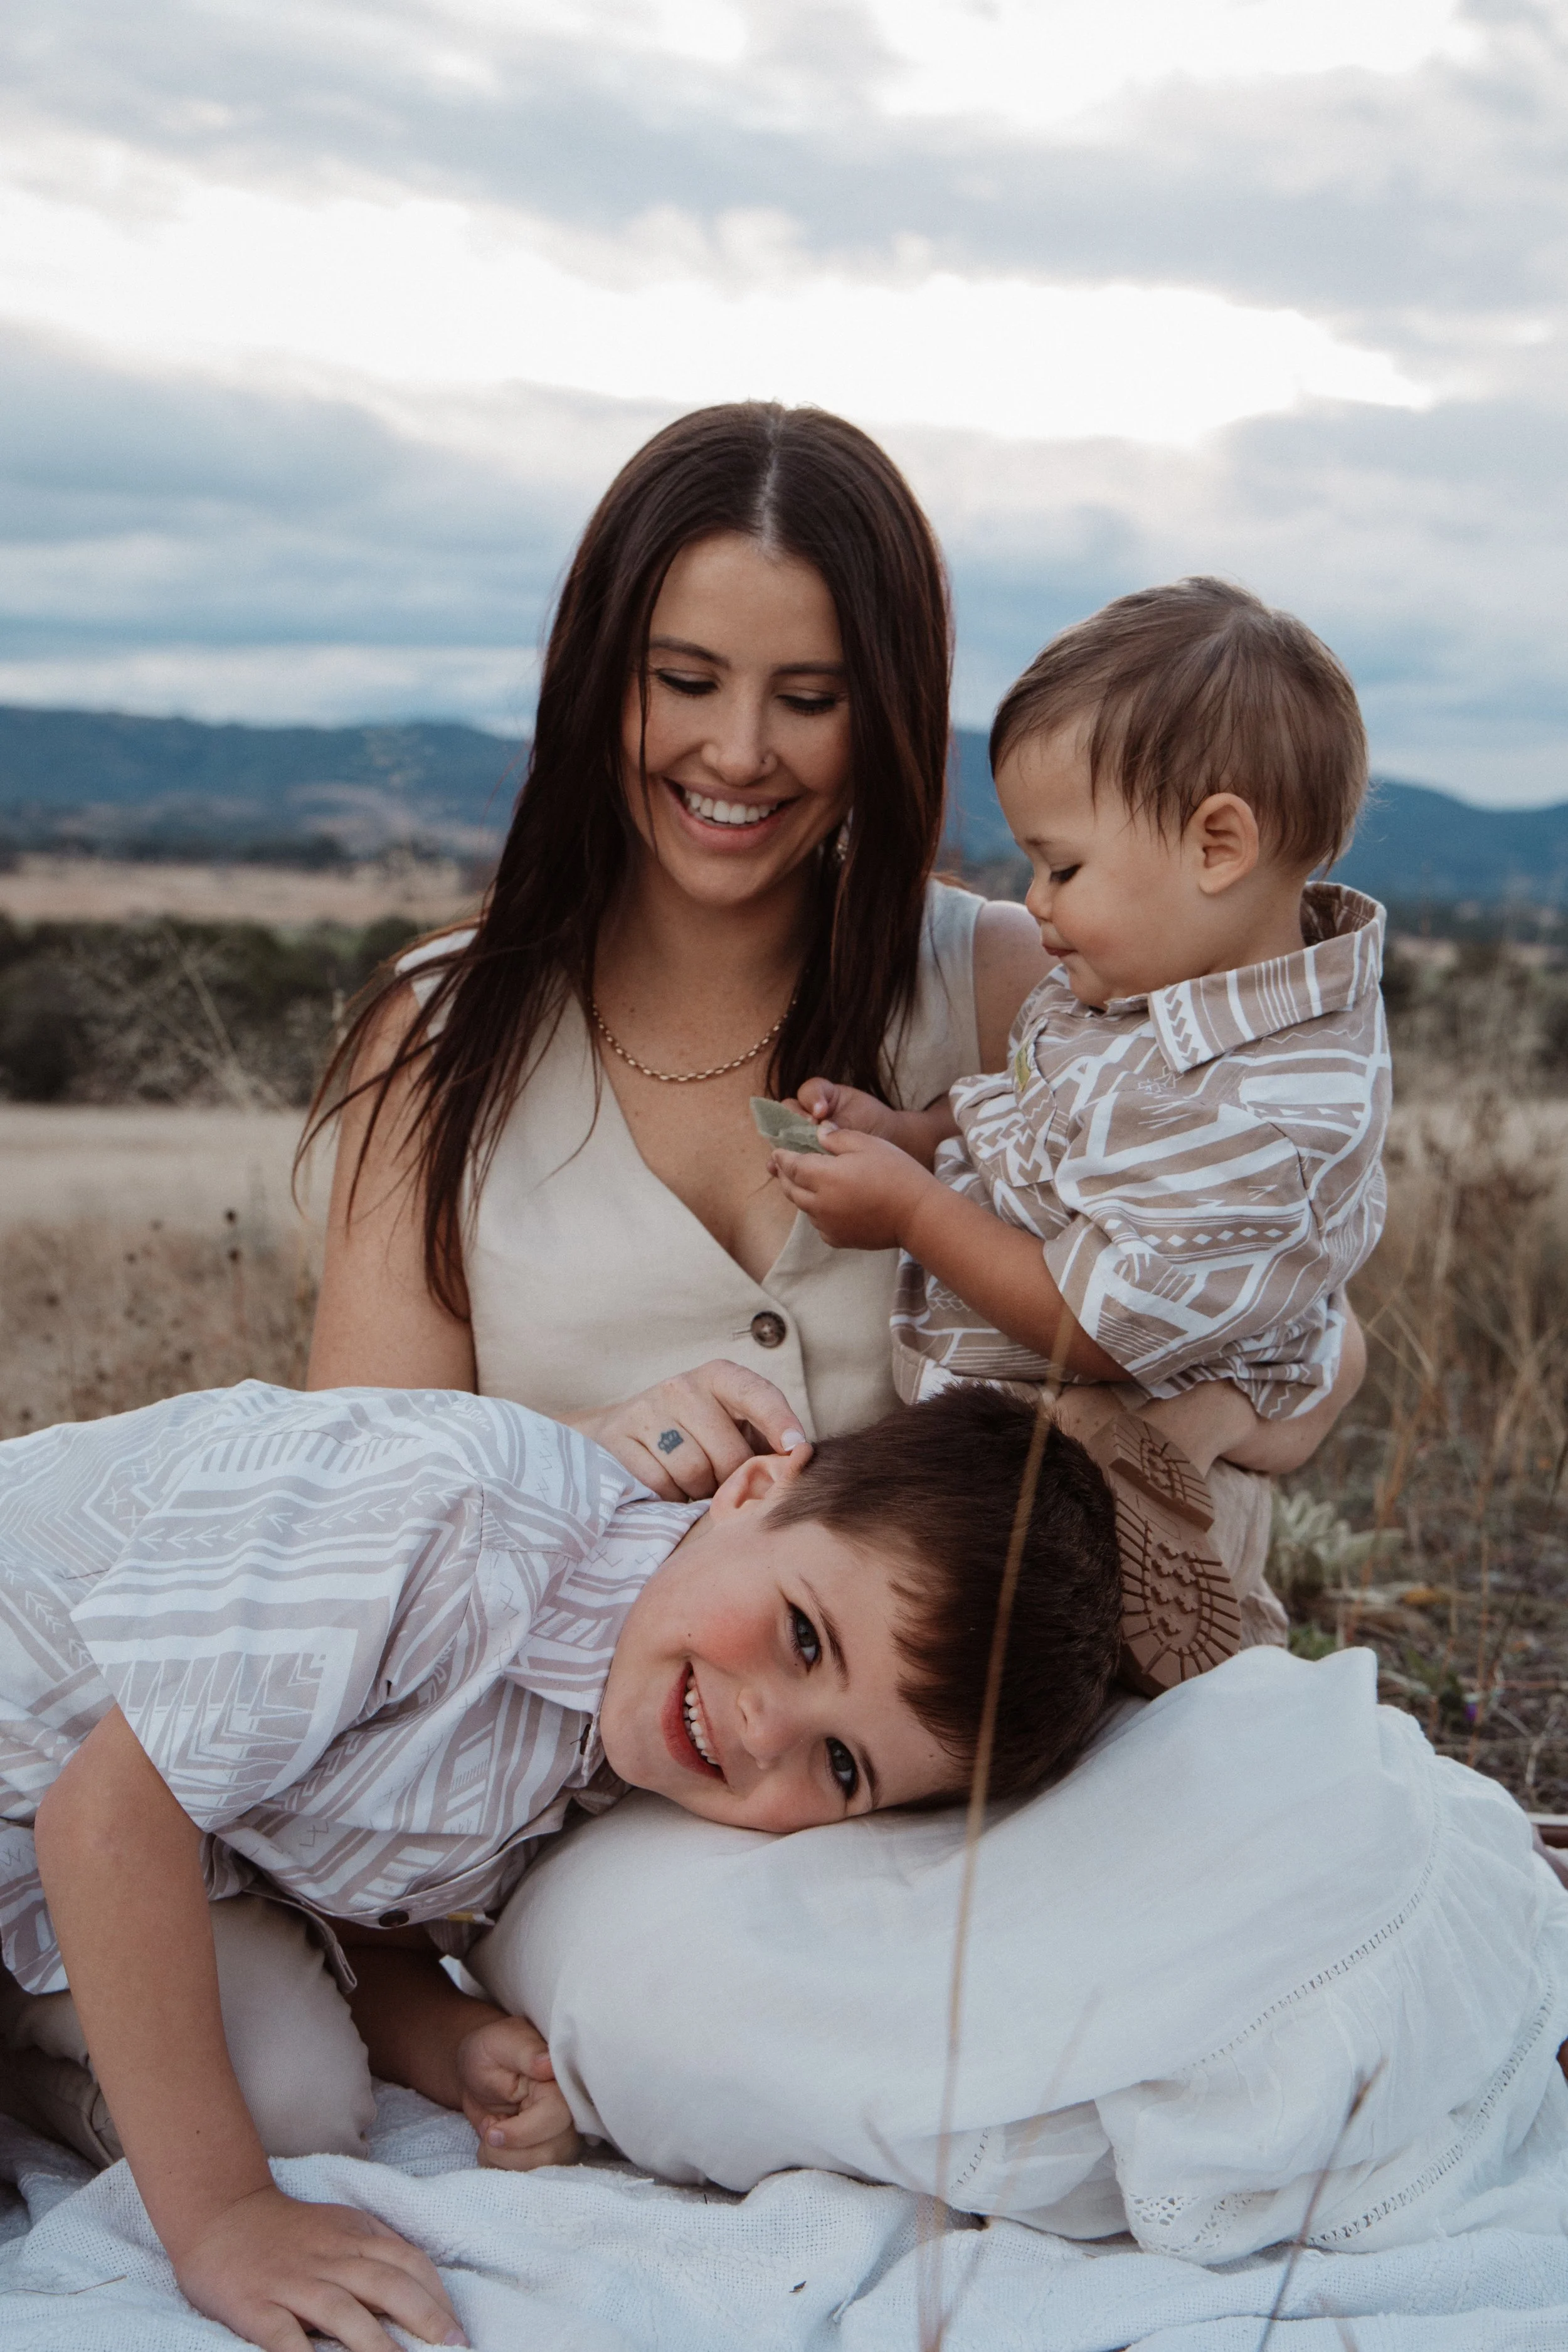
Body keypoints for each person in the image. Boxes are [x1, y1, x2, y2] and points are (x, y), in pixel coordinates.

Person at [302, 406, 1351, 1645]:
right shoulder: (440, 1041)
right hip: (603, 1746)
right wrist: (580, 1455)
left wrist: (1190, 1425)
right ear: (597, 683)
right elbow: (344, 1508)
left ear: (886, 716)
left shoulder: (1019, 986)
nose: (737, 752)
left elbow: (1294, 1314)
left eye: (807, 698)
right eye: (683, 682)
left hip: (1013, 1756)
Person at [0, 1377, 1118, 2352]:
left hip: (87, 1869)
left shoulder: (595, 1755)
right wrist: (224, 2216)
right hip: (63, 1782)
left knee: (299, 2095)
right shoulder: (460, 1521)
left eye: (841, 1763)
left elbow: (325, 1876)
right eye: (805, 1633)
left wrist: (447, 2041)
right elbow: (104, 1818)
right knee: (229, 2153)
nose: (765, 1727)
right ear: (753, 1491)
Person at [771, 578, 1390, 1438]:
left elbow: (1098, 1324)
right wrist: (910, 1135)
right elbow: (1037, 1112)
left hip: (1117, 1479)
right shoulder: (1139, 982)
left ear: (1217, 847)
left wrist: (912, 1207)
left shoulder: (1264, 1113)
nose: (1032, 900)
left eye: (1061, 868)